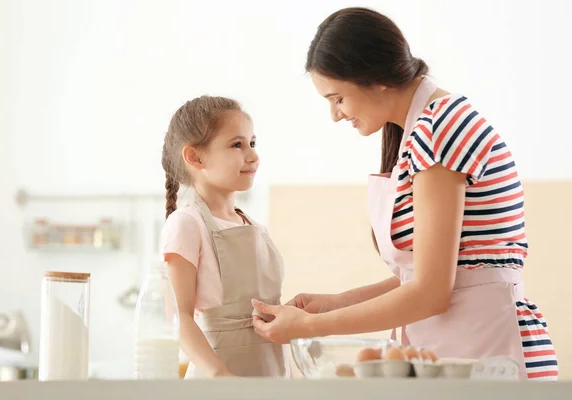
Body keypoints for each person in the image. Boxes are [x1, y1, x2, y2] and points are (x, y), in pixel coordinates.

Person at [251, 7, 558, 381]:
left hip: (490, 355)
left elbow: (430, 292)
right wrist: (330, 306)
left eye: (337, 98)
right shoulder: (426, 129)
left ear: (375, 78)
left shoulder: (438, 129)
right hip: (468, 349)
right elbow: (429, 275)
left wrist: (311, 327)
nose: (335, 115)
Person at [160, 95, 287, 378]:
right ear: (195, 157)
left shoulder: (257, 227)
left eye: (252, 143)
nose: (253, 156)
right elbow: (179, 318)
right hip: (219, 385)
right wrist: (221, 378)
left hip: (273, 377)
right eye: (237, 145)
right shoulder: (186, 224)